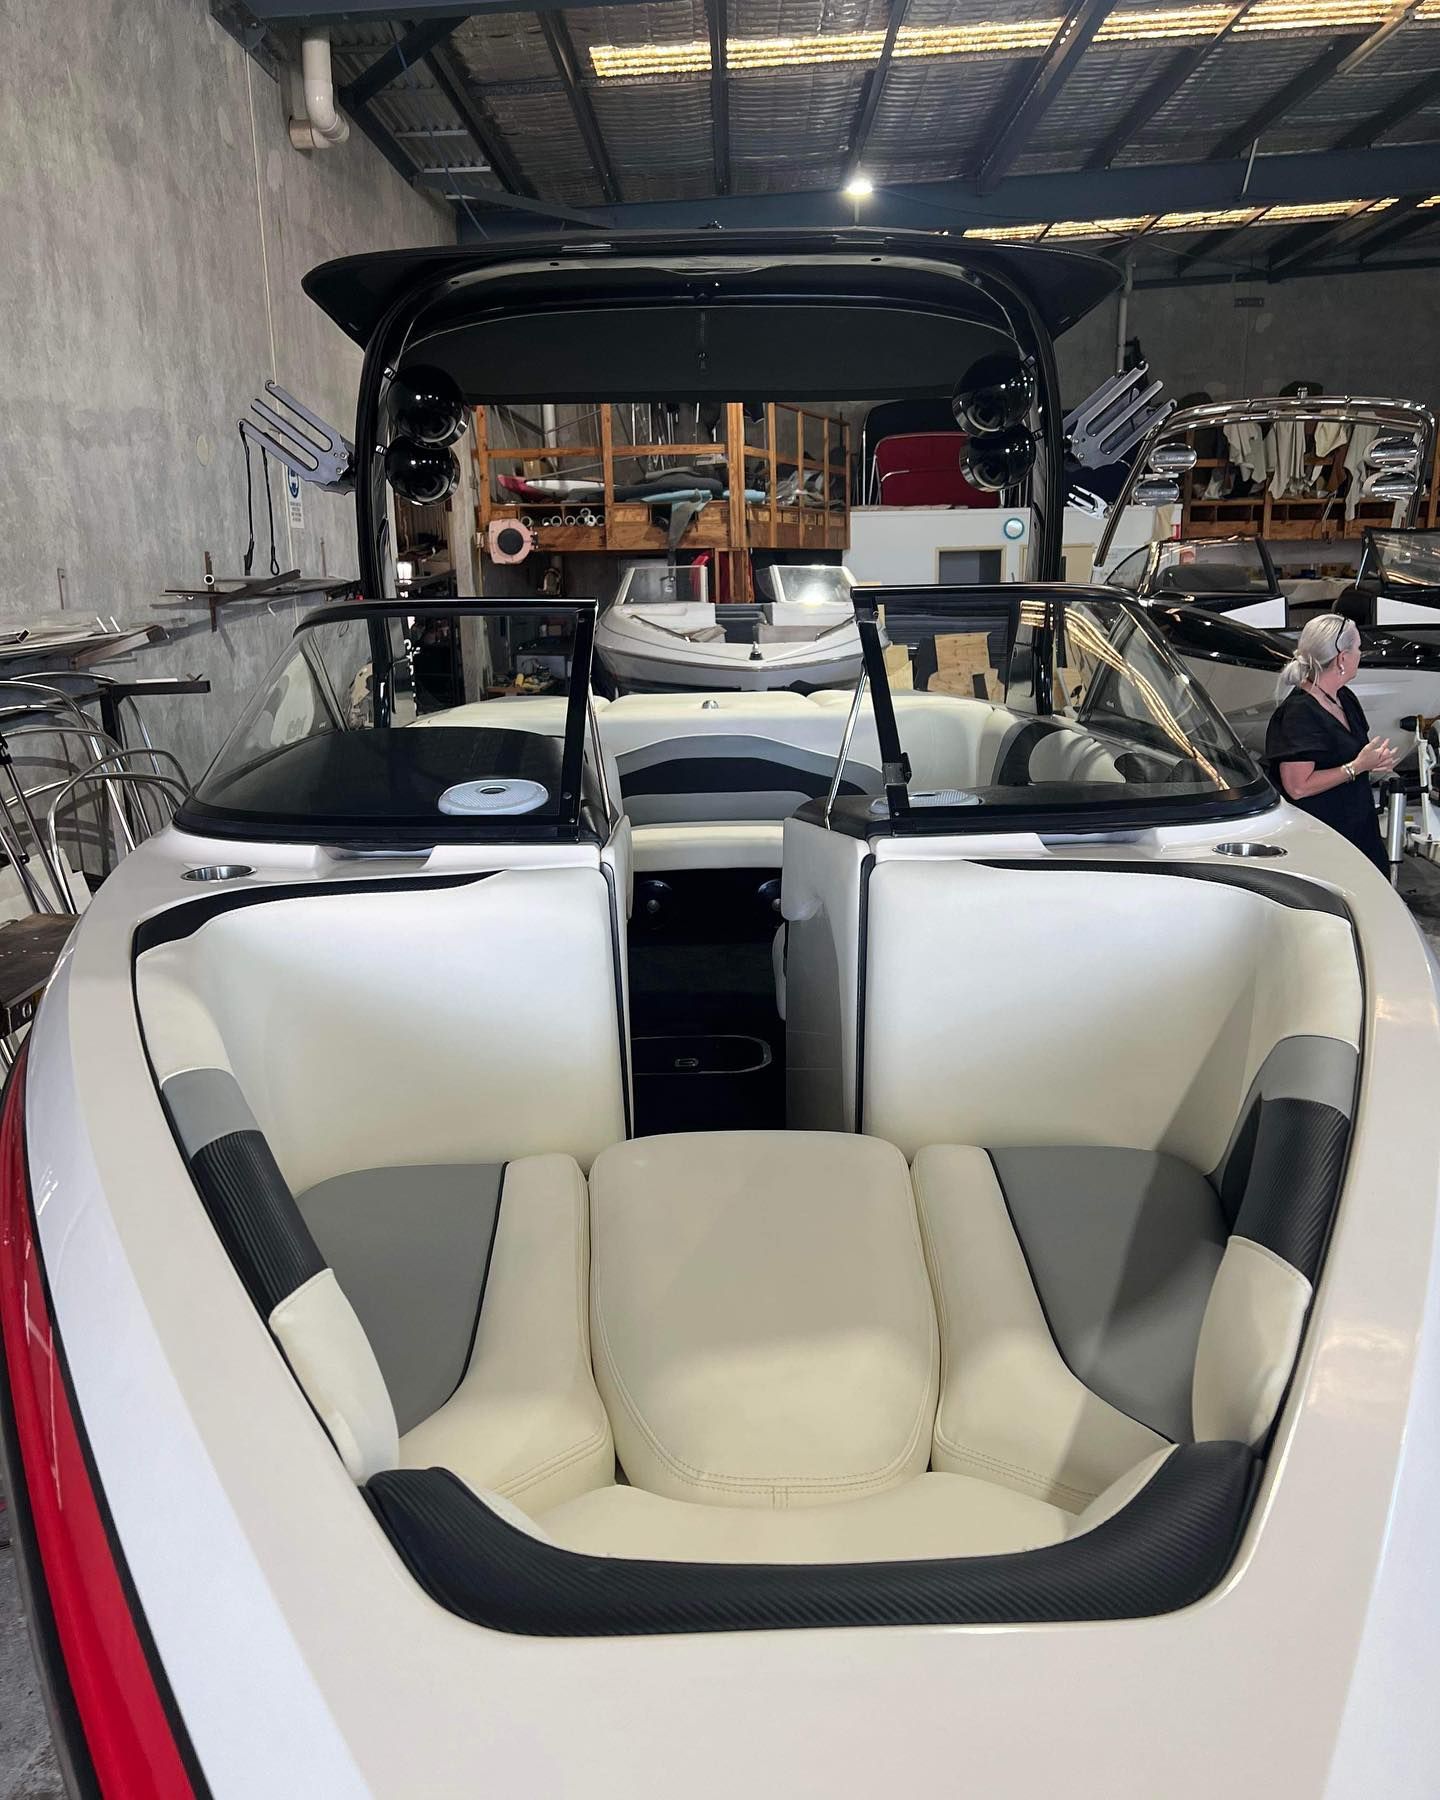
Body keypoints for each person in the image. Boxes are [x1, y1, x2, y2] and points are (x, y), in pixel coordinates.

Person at [1266, 612, 1395, 873]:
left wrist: (1371, 762)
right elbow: (1298, 787)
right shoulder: (1299, 713)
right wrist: (1356, 767)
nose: (1361, 653)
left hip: (1359, 830)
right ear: (1342, 658)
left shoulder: (1344, 698)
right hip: (1323, 840)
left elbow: (1349, 758)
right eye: (1358, 647)